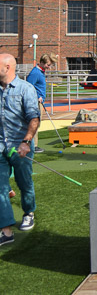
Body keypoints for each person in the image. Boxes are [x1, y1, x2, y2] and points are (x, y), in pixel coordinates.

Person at [0, 54, 41, 246]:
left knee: (24, 182)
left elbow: (34, 118)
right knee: (0, 188)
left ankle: (28, 212)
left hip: (20, 146)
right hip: (0, 146)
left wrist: (26, 141)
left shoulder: (26, 89)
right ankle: (6, 230)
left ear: (8, 67)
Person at [26, 53, 55, 154]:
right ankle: (33, 146)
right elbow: (28, 87)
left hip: (40, 101)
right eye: (48, 64)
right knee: (34, 123)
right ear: (42, 63)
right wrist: (36, 97)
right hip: (35, 102)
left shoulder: (41, 72)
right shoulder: (35, 73)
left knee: (37, 124)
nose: (49, 67)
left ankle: (34, 145)